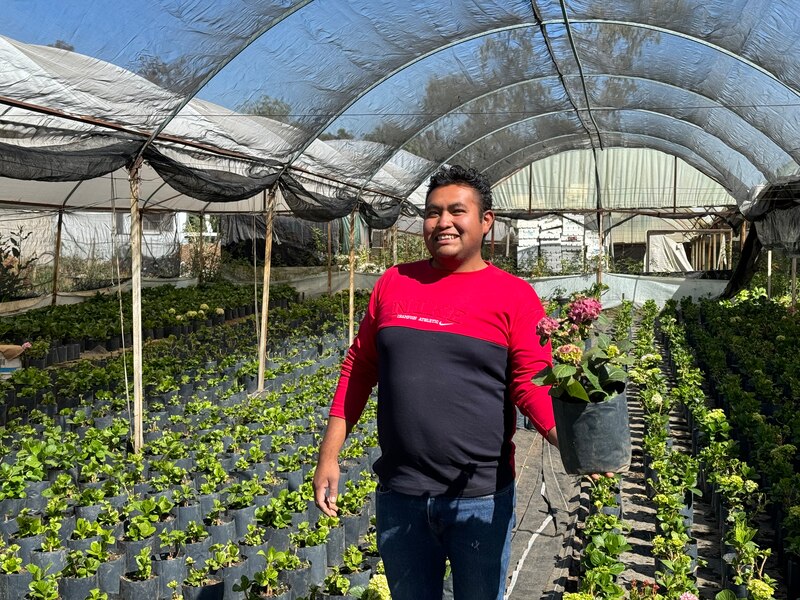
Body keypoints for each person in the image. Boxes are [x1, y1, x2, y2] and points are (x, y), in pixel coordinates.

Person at [312, 165, 557, 600]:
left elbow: (530, 385)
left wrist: (570, 442)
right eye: (432, 212)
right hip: (401, 494)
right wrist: (328, 455)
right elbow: (359, 367)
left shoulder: (514, 295)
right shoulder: (395, 282)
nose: (442, 222)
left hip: (479, 497)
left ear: (486, 221)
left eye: (456, 211)